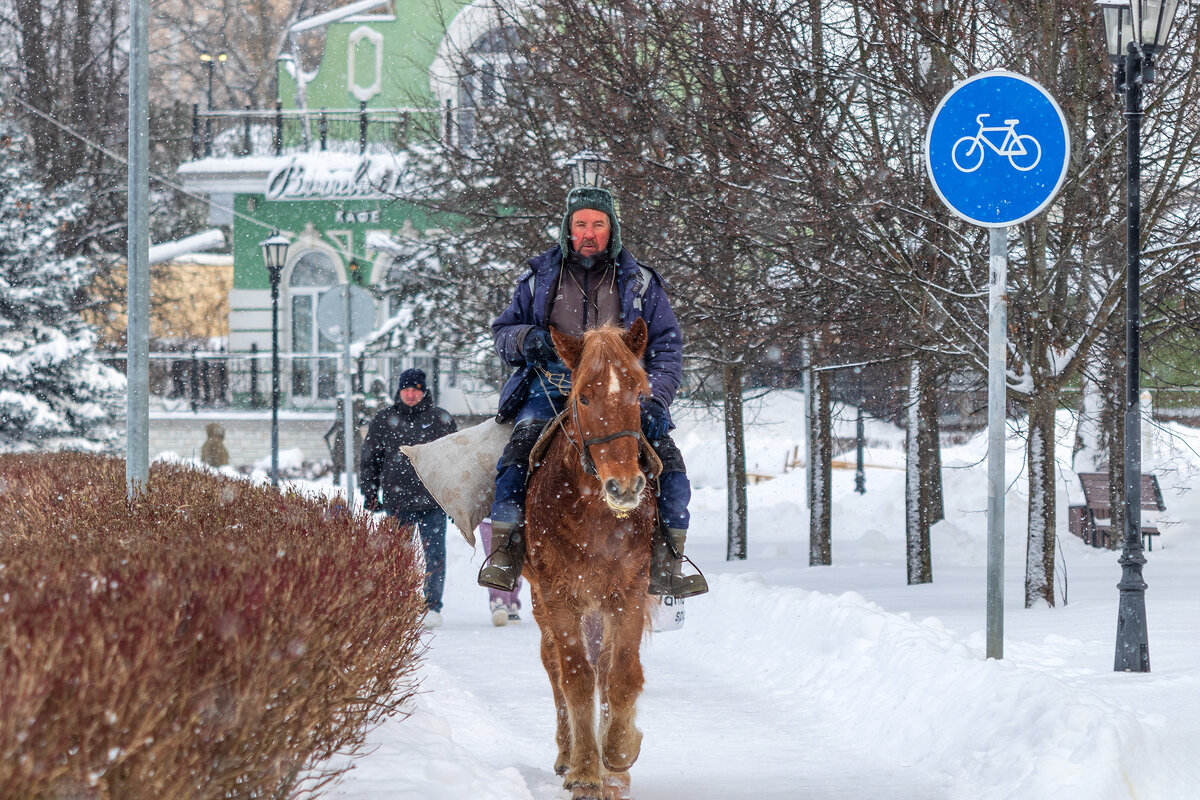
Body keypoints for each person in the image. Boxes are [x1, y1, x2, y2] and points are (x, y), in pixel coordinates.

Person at [476, 184, 708, 598]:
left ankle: (669, 559)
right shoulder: (537, 278)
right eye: (580, 223)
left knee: (669, 463)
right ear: (567, 229)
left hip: (620, 394)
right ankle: (507, 552)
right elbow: (501, 333)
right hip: (549, 388)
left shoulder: (640, 283)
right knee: (516, 457)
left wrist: (655, 400)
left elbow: (668, 347)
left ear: (611, 229)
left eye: (597, 224)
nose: (588, 232)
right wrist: (527, 339)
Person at [360, 368, 457, 628]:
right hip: (397, 501)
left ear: (424, 391)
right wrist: (369, 492)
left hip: (432, 501)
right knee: (397, 557)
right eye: (406, 389)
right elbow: (370, 460)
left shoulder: (441, 420)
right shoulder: (384, 419)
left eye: (415, 389)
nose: (410, 394)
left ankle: (431, 606)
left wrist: (455, 500)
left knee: (434, 555)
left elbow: (456, 462)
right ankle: (399, 602)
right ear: (399, 391)